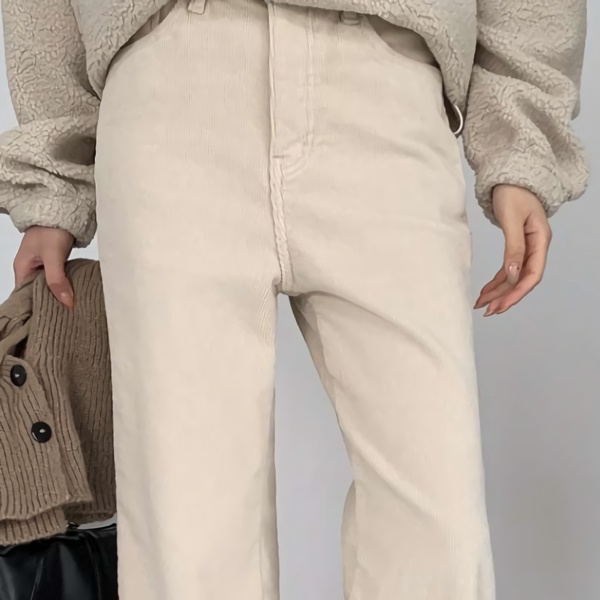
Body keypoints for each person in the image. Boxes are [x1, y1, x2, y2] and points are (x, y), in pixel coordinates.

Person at [0, 0, 588, 598]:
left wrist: (520, 144)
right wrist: (53, 178)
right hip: (169, 80)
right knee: (187, 527)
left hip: (387, 82)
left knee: (439, 514)